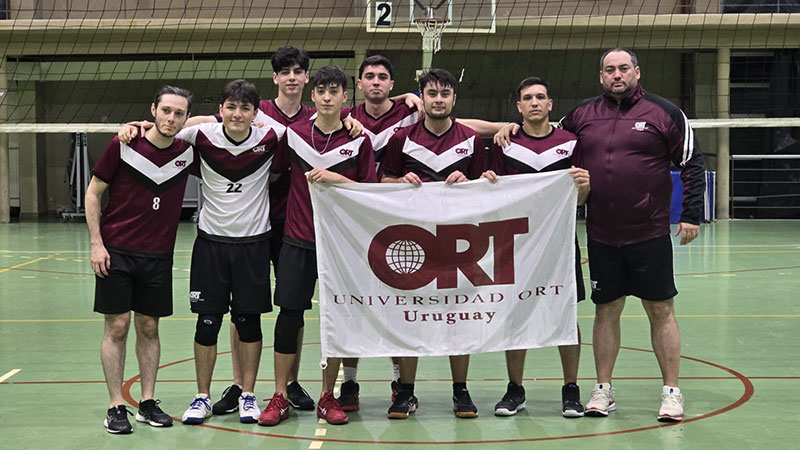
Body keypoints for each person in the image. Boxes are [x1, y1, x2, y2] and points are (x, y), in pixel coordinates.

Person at [555, 48, 704, 422]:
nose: (617, 75)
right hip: (602, 232)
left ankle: (671, 392)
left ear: (637, 71)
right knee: (606, 310)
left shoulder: (664, 112)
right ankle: (603, 389)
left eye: (623, 68)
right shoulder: (580, 116)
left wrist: (690, 215)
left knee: (660, 309)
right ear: (600, 76)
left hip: (649, 232)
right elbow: (545, 146)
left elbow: (692, 162)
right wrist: (504, 131)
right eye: (609, 70)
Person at [258, 66, 377, 427]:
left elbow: (370, 191)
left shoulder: (360, 141)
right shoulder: (293, 136)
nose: (327, 97)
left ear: (345, 98)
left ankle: (328, 395)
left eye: (334, 91)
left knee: (338, 318)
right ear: (314, 97)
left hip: (342, 245)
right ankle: (280, 393)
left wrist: (337, 177)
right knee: (289, 316)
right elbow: (275, 176)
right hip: (297, 239)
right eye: (322, 91)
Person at [380, 68, 487, 419]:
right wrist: (400, 180)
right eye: (431, 93)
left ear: (454, 99)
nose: (438, 99)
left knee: (458, 316)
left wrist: (470, 180)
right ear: (421, 99)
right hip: (414, 240)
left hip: (458, 242)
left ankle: (461, 391)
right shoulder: (401, 139)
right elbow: (384, 179)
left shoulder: (471, 140)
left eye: (444, 93)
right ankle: (406, 393)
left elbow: (487, 186)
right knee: (410, 316)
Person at [87, 86, 194, 434]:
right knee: (116, 326)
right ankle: (116, 405)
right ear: (153, 110)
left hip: (158, 254)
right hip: (117, 250)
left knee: (149, 327)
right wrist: (96, 244)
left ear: (186, 118)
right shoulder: (124, 145)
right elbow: (93, 193)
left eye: (179, 113)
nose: (171, 118)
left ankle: (147, 402)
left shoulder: (188, 153)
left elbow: (218, 120)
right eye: (166, 111)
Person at [481, 77, 590, 418]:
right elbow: (494, 195)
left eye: (540, 97)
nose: (534, 103)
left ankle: (571, 389)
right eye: (527, 98)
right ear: (519, 107)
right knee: (515, 315)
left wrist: (584, 187)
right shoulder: (505, 144)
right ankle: (515, 390)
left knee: (566, 314)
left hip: (559, 243)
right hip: (516, 244)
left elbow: (580, 197)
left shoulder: (570, 143)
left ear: (550, 104)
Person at [336, 54, 421, 412]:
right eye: (368, 76)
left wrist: (502, 128)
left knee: (399, 307)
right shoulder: (342, 117)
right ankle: (350, 384)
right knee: (350, 306)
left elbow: (459, 122)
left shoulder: (410, 113)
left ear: (391, 84)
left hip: (399, 226)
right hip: (352, 227)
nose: (375, 82)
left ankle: (403, 386)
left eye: (382, 77)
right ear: (358, 83)